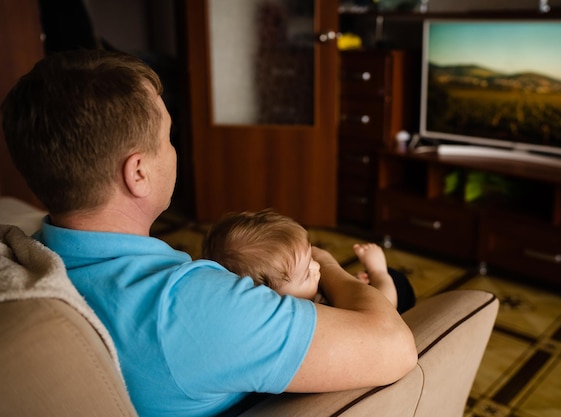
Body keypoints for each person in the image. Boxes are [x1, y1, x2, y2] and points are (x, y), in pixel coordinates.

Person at [1, 49, 417, 417]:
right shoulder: (189, 306)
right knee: (397, 288)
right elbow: (396, 348)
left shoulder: (31, 255)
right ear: (139, 172)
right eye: (167, 138)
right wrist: (324, 262)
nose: (175, 149)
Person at [202, 209, 413, 313]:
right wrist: (378, 271)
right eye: (305, 275)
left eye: (311, 258)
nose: (317, 266)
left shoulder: (296, 295)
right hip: (392, 311)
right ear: (267, 296)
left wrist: (350, 283)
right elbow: (385, 307)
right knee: (397, 279)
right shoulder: (317, 313)